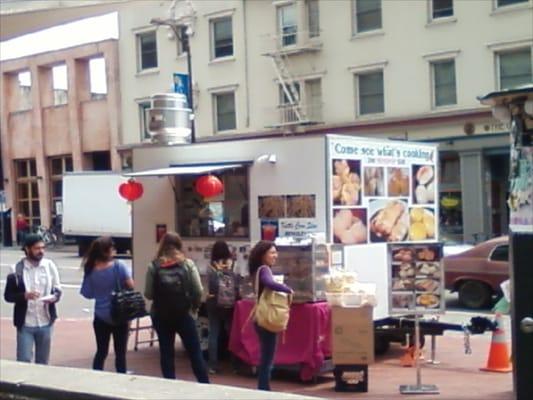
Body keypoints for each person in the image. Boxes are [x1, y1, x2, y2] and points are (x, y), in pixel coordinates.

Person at [144, 232, 209, 383]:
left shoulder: (154, 266)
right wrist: (194, 308)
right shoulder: (187, 264)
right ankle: (205, 386)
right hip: (184, 314)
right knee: (195, 353)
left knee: (166, 353)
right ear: (180, 246)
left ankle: (170, 388)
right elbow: (198, 290)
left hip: (161, 315)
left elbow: (148, 293)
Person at [3, 234, 62, 364]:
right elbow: (8, 296)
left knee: (43, 361)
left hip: (46, 321)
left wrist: (54, 298)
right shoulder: (16, 269)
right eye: (37, 248)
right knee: (24, 359)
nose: (41, 251)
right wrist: (24, 296)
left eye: (43, 248)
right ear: (27, 249)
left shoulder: (49, 266)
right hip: (25, 323)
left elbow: (58, 289)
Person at [80, 236, 133, 373]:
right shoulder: (119, 266)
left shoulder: (90, 268)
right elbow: (131, 286)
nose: (115, 250)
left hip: (100, 316)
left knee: (101, 351)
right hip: (119, 314)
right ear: (106, 251)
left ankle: (97, 377)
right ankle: (121, 377)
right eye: (112, 247)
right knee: (120, 353)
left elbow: (87, 293)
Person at [248, 240, 292, 391]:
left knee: (265, 356)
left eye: (275, 252)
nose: (275, 255)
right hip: (266, 318)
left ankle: (263, 387)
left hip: (259, 319)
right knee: (267, 358)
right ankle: (264, 389)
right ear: (263, 255)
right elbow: (269, 283)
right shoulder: (264, 269)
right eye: (272, 253)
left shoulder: (257, 269)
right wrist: (286, 289)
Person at [206, 240, 239, 374]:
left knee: (213, 332)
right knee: (231, 332)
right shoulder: (232, 263)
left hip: (214, 301)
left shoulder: (212, 265)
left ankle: (213, 365)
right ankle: (235, 364)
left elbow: (211, 286)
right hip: (230, 302)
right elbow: (237, 282)